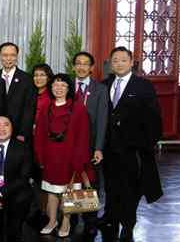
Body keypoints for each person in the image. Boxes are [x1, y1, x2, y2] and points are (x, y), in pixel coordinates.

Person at [100, 47, 162, 242]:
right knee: (110, 186)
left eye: (122, 60)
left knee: (130, 189)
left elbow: (154, 119)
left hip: (133, 150)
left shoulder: (143, 86)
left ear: (131, 62)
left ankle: (127, 225)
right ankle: (110, 219)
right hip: (108, 149)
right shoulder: (105, 84)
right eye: (114, 60)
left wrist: (146, 144)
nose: (118, 63)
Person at [34, 73, 91, 238]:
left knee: (70, 192)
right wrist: (40, 156)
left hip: (72, 156)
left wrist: (79, 160)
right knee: (52, 191)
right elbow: (39, 134)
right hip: (51, 156)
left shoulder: (79, 108)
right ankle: (52, 221)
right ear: (51, 88)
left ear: (68, 88)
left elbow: (83, 135)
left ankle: (66, 221)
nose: (58, 88)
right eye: (55, 85)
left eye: (62, 85)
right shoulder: (46, 107)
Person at [72, 51, 109, 237]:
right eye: (78, 63)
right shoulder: (66, 86)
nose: (81, 66)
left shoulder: (100, 89)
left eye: (85, 64)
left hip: (90, 144)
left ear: (92, 68)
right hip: (69, 145)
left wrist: (99, 148)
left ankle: (89, 221)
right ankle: (71, 218)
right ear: (73, 66)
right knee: (71, 181)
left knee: (90, 182)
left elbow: (103, 120)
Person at [0, 42, 36, 143]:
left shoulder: (27, 79)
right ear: (0, 56)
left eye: (12, 55)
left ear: (17, 57)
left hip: (18, 133)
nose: (9, 58)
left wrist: (23, 133)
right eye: (5, 55)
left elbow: (29, 109)